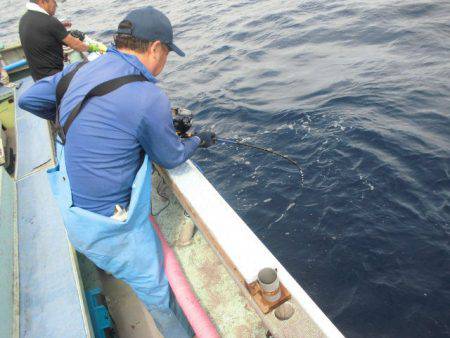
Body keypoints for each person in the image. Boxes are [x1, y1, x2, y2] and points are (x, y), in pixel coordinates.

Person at [19, 6, 215, 337]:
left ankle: (104, 267)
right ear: (155, 48)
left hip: (69, 207)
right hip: (109, 232)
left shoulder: (77, 72)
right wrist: (197, 140)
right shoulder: (147, 96)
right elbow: (171, 156)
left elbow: (28, 100)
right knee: (160, 295)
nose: (165, 62)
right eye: (166, 53)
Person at [19, 0, 102, 81]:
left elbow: (41, 29)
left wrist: (59, 25)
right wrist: (94, 48)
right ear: (42, 1)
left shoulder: (24, 19)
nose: (56, 5)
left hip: (37, 78)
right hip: (54, 78)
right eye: (53, 1)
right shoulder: (49, 21)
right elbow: (76, 45)